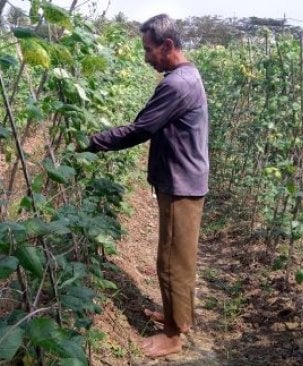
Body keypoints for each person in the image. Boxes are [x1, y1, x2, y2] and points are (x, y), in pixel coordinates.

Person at [84, 14, 209, 358]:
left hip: (181, 183)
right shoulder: (186, 75)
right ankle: (174, 317)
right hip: (183, 178)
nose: (145, 57)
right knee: (175, 258)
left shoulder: (176, 84)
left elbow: (141, 129)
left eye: (148, 49)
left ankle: (173, 335)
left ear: (168, 45)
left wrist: (92, 142)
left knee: (172, 262)